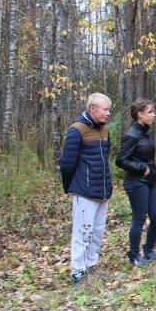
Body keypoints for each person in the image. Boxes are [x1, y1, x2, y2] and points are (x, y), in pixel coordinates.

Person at [59, 93, 113, 286]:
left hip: (102, 190)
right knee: (83, 232)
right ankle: (77, 272)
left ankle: (90, 266)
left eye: (109, 109)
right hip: (84, 191)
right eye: (105, 109)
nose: (108, 113)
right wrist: (72, 188)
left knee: (97, 232)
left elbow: (105, 159)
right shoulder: (76, 130)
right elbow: (67, 164)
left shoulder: (104, 129)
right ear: (92, 109)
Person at [115, 98, 156, 266]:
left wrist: (151, 170)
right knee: (139, 219)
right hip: (136, 182)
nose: (153, 115)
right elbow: (120, 160)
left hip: (149, 181)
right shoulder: (132, 134)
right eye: (150, 112)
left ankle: (148, 249)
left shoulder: (144, 132)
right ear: (140, 115)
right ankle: (134, 255)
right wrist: (142, 168)